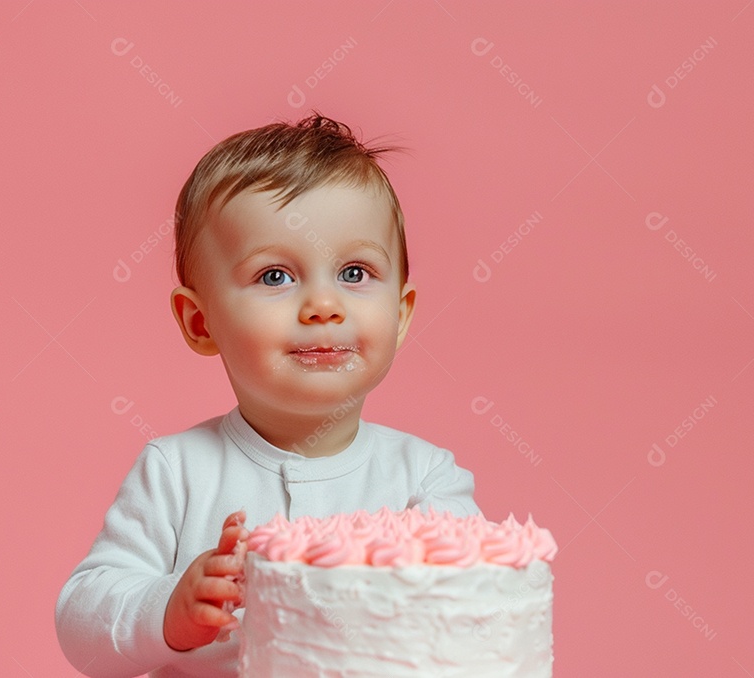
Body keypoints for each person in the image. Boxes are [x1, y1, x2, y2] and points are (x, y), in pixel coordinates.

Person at [55, 112, 479, 677]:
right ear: (201, 322)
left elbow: (473, 617)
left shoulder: (424, 480)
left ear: (399, 316)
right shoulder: (177, 472)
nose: (323, 305)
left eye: (354, 273)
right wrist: (168, 609)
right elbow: (81, 623)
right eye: (275, 276)